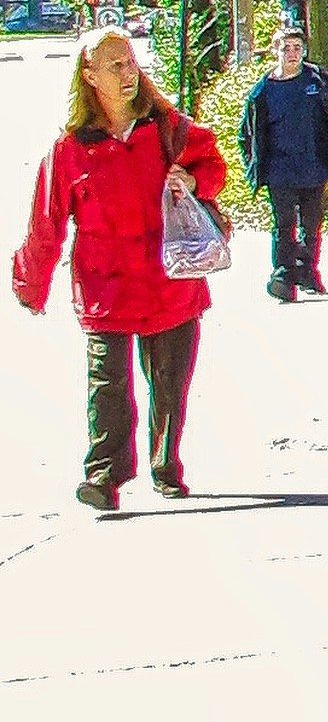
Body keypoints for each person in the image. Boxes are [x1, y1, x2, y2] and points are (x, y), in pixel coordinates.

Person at [15, 27, 230, 511]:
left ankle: (165, 462)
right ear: (89, 75)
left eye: (130, 61)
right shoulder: (70, 149)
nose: (127, 72)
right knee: (106, 387)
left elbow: (214, 168)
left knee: (169, 384)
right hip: (104, 288)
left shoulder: (170, 128)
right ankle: (104, 475)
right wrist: (32, 283)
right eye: (114, 64)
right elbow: (45, 223)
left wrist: (193, 180)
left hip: (169, 281)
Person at [238, 20, 328, 300]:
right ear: (275, 51)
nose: (293, 53)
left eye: (297, 48)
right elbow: (248, 133)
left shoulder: (319, 82)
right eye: (286, 48)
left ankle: (307, 271)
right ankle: (283, 274)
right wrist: (253, 165)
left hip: (314, 166)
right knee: (284, 222)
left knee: (312, 223)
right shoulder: (263, 91)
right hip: (279, 169)